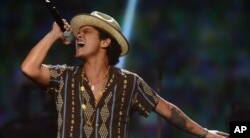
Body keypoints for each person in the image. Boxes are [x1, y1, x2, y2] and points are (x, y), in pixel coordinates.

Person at [21, 11, 229, 138]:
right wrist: (53, 34)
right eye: (78, 32)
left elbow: (168, 110)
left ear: (105, 41)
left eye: (87, 31)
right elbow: (29, 69)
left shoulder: (130, 82)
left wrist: (204, 133)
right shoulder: (64, 77)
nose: (79, 35)